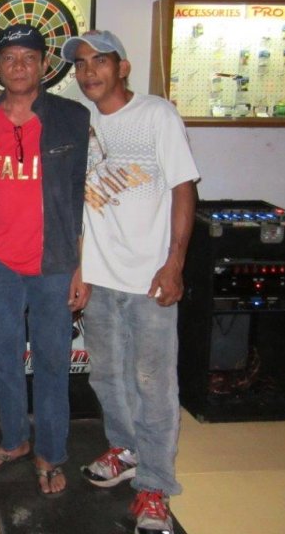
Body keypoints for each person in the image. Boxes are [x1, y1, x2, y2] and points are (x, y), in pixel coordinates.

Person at [60, 30, 199, 534]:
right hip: (100, 277)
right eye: (80, 63)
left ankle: (156, 485)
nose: (88, 71)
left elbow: (184, 189)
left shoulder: (156, 115)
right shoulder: (82, 124)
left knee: (153, 383)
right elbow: (81, 207)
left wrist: (174, 263)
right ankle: (125, 448)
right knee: (107, 376)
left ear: (123, 67)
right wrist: (80, 269)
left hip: (149, 280)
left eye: (100, 60)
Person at [0, 24, 89, 495]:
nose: (19, 66)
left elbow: (84, 196)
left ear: (44, 65)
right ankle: (14, 440)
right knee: (4, 359)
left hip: (53, 262)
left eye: (28, 57)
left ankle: (51, 452)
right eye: (9, 58)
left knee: (54, 363)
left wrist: (82, 266)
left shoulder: (72, 118)